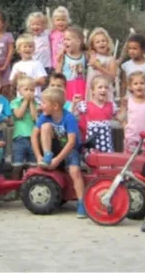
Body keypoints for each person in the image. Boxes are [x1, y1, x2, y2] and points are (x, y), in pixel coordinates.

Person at [31, 87, 88, 219]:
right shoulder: (45, 117)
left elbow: (71, 142)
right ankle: (47, 154)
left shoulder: (69, 118)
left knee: (75, 172)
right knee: (45, 127)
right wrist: (39, 156)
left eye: (44, 103)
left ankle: (81, 202)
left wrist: (57, 160)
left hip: (69, 149)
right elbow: (34, 136)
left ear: (55, 106)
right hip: (54, 148)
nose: (41, 105)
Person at [119, 71, 145, 155]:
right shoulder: (127, 100)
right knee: (130, 161)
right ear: (130, 86)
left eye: (142, 83)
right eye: (135, 84)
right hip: (131, 138)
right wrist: (125, 126)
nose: (139, 86)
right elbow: (121, 117)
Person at [10, 76, 39, 180]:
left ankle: (28, 185)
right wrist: (25, 101)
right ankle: (14, 187)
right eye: (26, 89)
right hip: (19, 137)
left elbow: (35, 118)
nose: (29, 92)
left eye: (32, 90)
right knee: (17, 165)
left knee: (33, 166)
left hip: (33, 138)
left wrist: (31, 102)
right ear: (19, 90)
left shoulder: (36, 103)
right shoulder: (15, 102)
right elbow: (19, 115)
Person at [80, 76, 118, 153]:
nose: (103, 90)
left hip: (106, 143)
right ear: (93, 91)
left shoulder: (111, 105)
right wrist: (74, 103)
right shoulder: (85, 105)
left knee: (107, 161)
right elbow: (73, 114)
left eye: (106, 87)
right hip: (92, 142)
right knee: (92, 160)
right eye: (100, 87)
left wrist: (124, 107)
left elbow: (120, 118)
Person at [9, 34, 47, 99]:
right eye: (25, 46)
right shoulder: (17, 65)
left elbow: (42, 80)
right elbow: (12, 84)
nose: (28, 48)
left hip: (35, 98)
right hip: (21, 99)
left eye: (30, 46)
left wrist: (27, 83)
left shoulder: (37, 64)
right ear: (18, 50)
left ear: (34, 49)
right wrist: (16, 77)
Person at [119, 33, 145, 98]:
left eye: (135, 48)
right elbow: (124, 84)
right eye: (130, 48)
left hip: (144, 99)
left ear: (143, 49)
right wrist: (122, 98)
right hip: (130, 100)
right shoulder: (126, 65)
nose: (131, 51)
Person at [56, 26, 87, 102]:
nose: (65, 42)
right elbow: (57, 74)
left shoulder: (85, 55)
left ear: (79, 41)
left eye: (68, 39)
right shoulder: (63, 56)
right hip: (67, 86)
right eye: (64, 39)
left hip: (81, 86)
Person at [86, 27, 117, 100]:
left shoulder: (110, 59)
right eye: (97, 42)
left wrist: (99, 68)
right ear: (93, 45)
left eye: (103, 41)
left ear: (108, 42)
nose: (101, 43)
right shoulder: (92, 55)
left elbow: (112, 77)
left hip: (104, 91)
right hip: (92, 91)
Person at [25, 11, 51, 77]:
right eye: (33, 25)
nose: (35, 27)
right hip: (35, 67)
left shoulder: (47, 34)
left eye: (38, 24)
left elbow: (52, 24)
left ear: (43, 26)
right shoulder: (30, 38)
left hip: (47, 66)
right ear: (29, 26)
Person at [49, 6, 70, 72]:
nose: (60, 22)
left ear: (67, 21)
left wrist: (63, 50)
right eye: (58, 20)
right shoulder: (52, 34)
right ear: (54, 21)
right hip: (55, 64)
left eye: (63, 20)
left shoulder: (69, 32)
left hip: (67, 63)